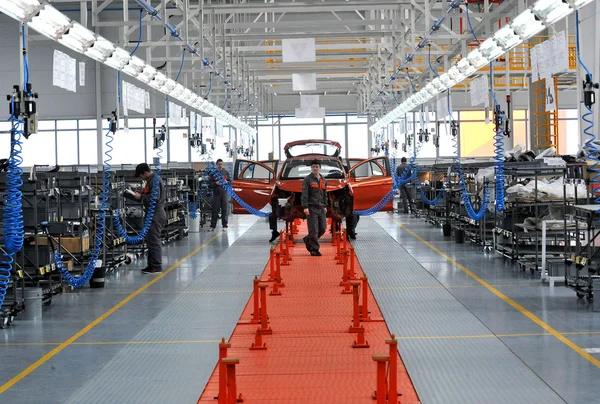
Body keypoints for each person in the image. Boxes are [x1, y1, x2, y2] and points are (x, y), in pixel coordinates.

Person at [133, 163, 166, 274]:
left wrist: (140, 197)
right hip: (152, 214)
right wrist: (143, 192)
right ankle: (151, 265)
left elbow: (154, 198)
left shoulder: (155, 180)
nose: (141, 178)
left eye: (141, 176)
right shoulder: (151, 180)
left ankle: (156, 266)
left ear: (146, 173)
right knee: (150, 240)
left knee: (154, 240)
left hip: (156, 214)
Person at [301, 160, 328, 256]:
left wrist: (325, 205)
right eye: (313, 167)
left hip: (321, 208)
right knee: (314, 230)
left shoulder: (323, 180)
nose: (315, 168)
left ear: (319, 167)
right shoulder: (307, 179)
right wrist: (305, 207)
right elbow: (304, 194)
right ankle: (314, 249)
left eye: (317, 166)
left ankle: (308, 239)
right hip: (311, 208)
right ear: (311, 168)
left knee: (323, 228)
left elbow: (325, 194)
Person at [210, 159, 230, 231]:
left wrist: (227, 182)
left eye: (221, 164)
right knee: (215, 210)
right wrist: (215, 183)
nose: (220, 166)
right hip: (216, 194)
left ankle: (225, 225)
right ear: (216, 164)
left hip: (224, 193)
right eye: (219, 164)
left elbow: (230, 182)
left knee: (224, 209)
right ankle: (212, 226)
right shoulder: (213, 173)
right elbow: (210, 184)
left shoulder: (226, 172)